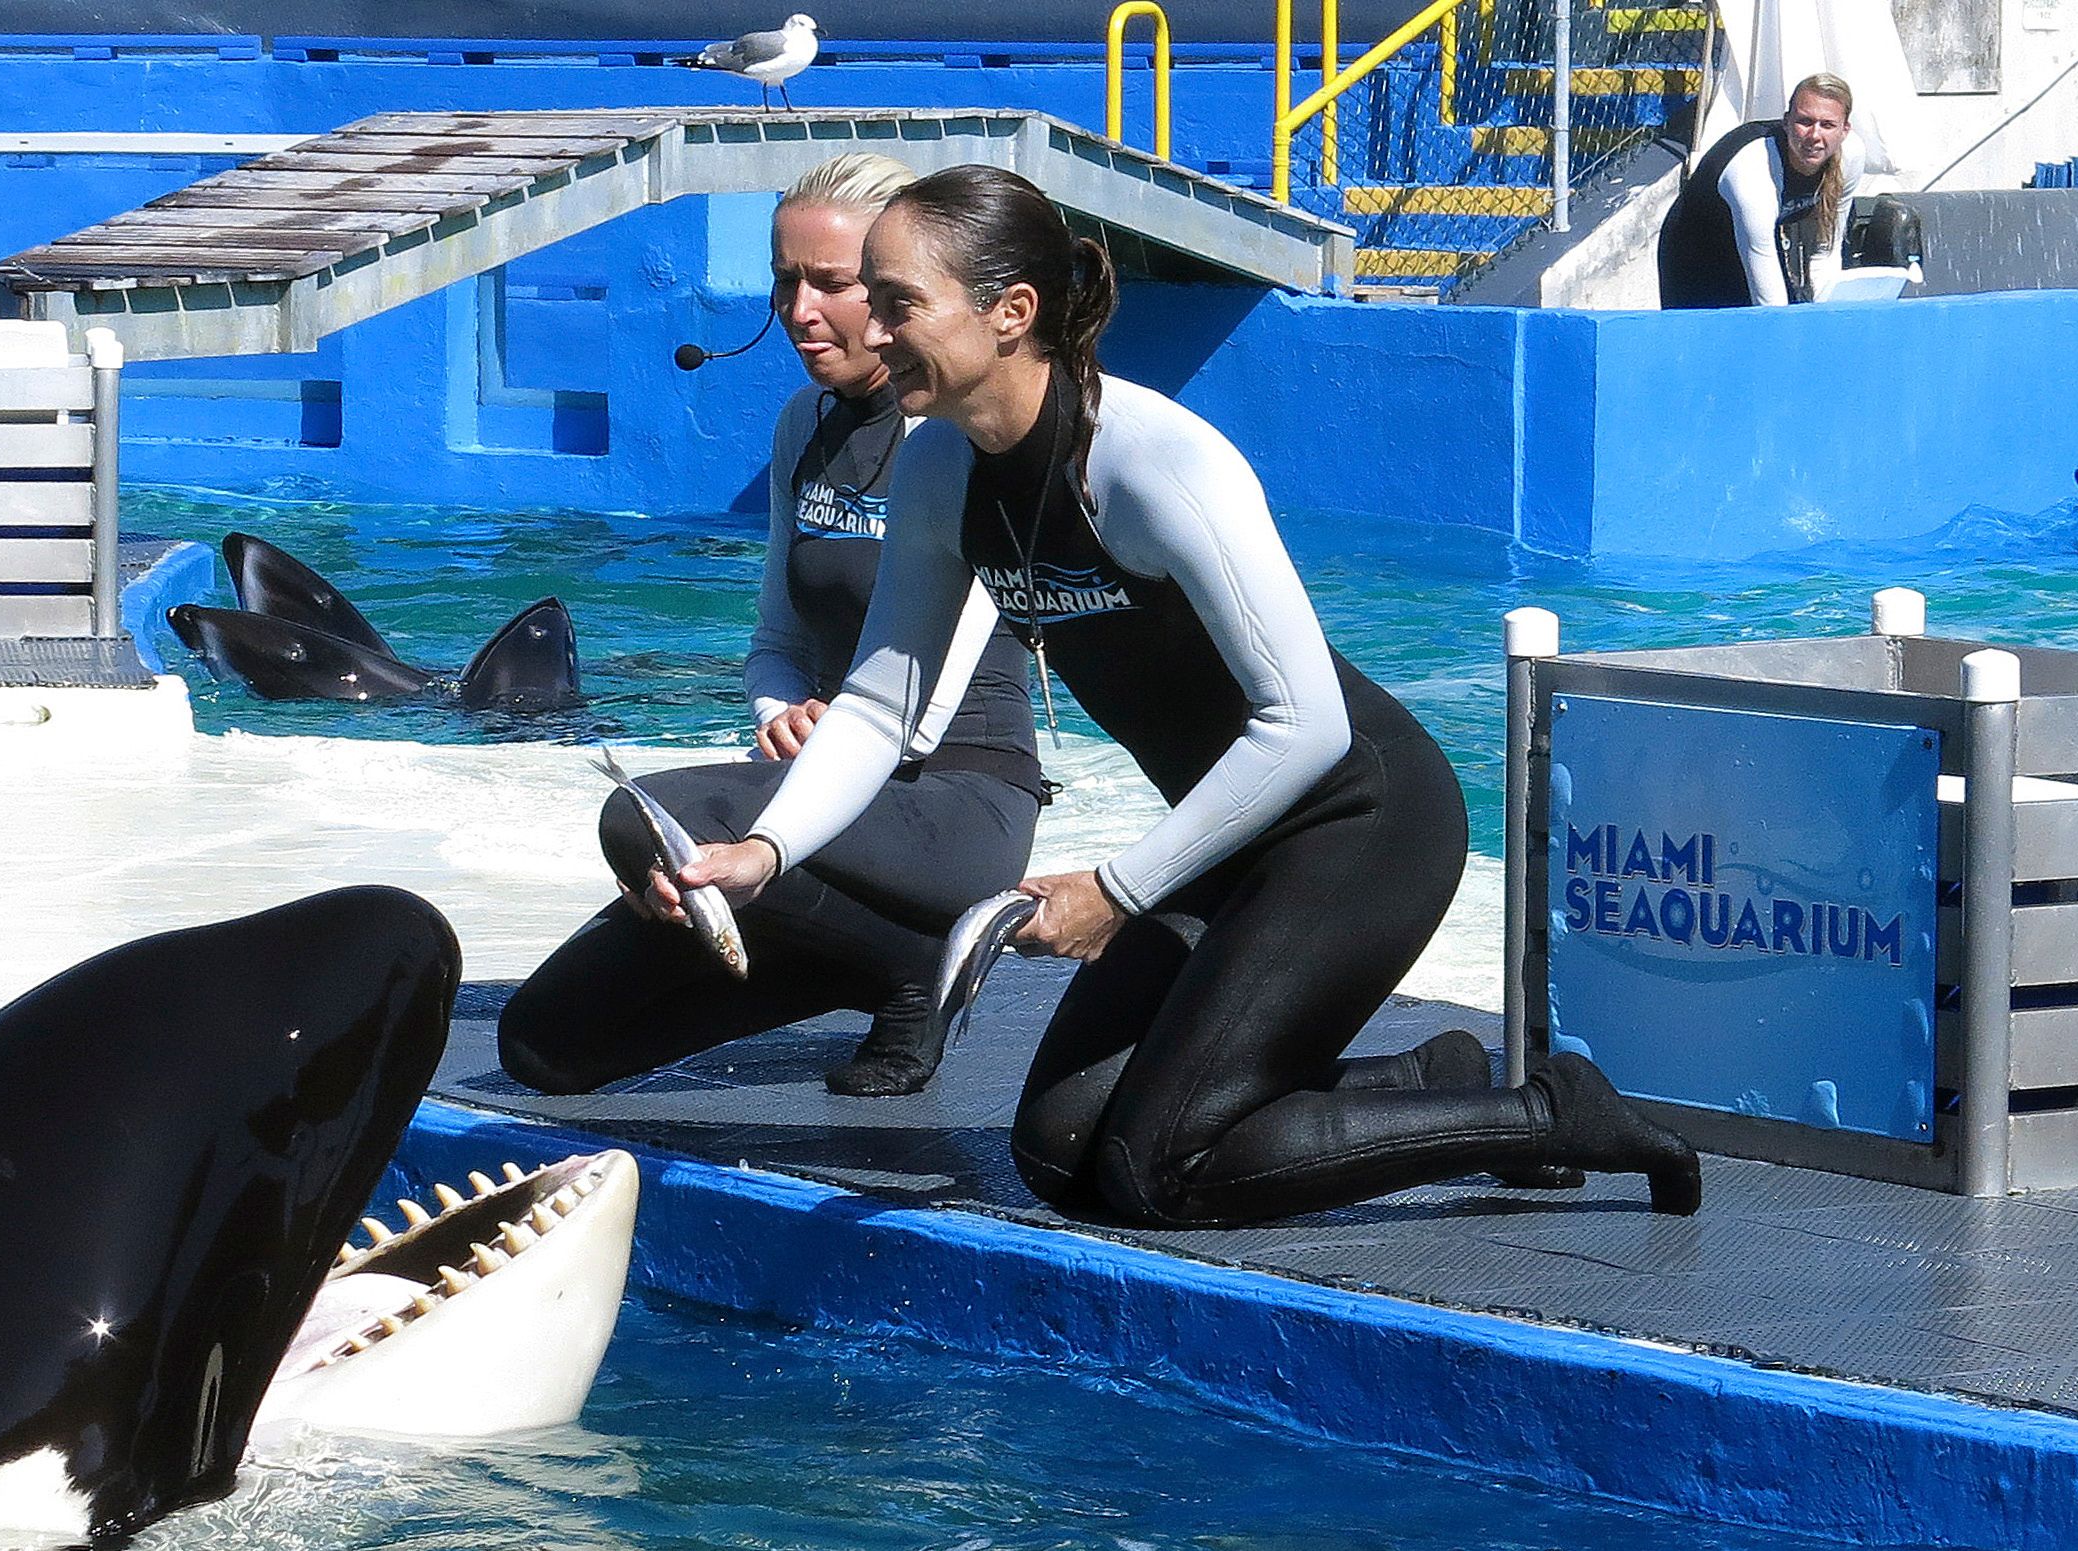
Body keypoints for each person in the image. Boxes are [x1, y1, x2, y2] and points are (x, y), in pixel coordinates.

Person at [658, 164, 1700, 1228]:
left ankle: (1546, 1113)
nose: (871, 334)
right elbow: (880, 707)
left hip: (1357, 824)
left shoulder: (1151, 462)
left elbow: (1307, 725)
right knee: (1062, 1154)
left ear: (1009, 312)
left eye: (897, 304)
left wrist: (1116, 888)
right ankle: (1427, 1078)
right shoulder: (942, 469)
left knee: (1161, 1170)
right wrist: (763, 852)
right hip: (1225, 840)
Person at [496, 153, 1043, 1100]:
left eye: (832, 284)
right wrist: (781, 707)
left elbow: (940, 674)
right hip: (823, 798)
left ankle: (918, 954)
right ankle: (875, 957)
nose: (800, 310)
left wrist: (838, 742)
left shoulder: (960, 435)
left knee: (645, 815)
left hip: (955, 801)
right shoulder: (805, 426)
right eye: (786, 280)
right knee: (545, 1045)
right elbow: (775, 638)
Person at [1656, 75, 1852, 309]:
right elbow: (1771, 310)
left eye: (1827, 125)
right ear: (1786, 122)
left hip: (1759, 240)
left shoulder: (1850, 158)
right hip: (1696, 250)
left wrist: (1826, 318)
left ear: (1845, 130)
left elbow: (1825, 252)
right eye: (1805, 122)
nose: (1815, 136)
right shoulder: (1752, 167)